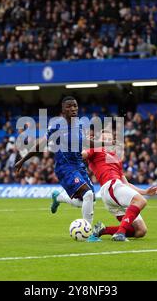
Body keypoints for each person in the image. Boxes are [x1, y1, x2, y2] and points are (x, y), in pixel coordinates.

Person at [15, 96, 105, 224]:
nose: (73, 109)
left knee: (89, 200)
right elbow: (40, 144)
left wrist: (102, 143)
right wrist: (23, 160)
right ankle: (88, 233)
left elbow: (84, 141)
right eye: (69, 106)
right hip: (65, 167)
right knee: (88, 195)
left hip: (79, 166)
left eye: (75, 105)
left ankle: (59, 197)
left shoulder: (79, 124)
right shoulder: (56, 126)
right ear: (63, 110)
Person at [83, 129, 157, 242]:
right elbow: (82, 155)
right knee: (141, 201)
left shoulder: (117, 158)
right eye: (103, 139)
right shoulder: (95, 150)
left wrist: (145, 192)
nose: (106, 141)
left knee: (140, 231)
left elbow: (126, 183)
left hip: (116, 189)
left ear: (113, 141)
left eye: (108, 139)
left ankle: (101, 230)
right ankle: (119, 234)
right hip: (111, 186)